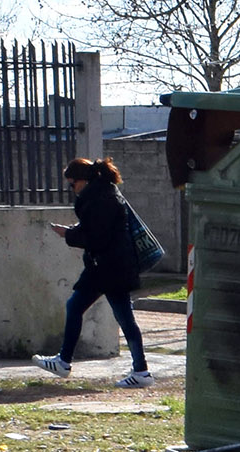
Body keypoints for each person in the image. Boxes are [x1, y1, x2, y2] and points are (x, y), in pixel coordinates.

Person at [34, 158, 153, 386]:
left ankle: (66, 361)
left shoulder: (100, 199)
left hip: (108, 268)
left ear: (84, 180)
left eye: (72, 184)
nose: (72, 189)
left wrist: (68, 235)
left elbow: (96, 237)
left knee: (97, 311)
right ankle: (139, 370)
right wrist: (71, 231)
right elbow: (94, 229)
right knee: (114, 315)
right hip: (110, 266)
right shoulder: (102, 194)